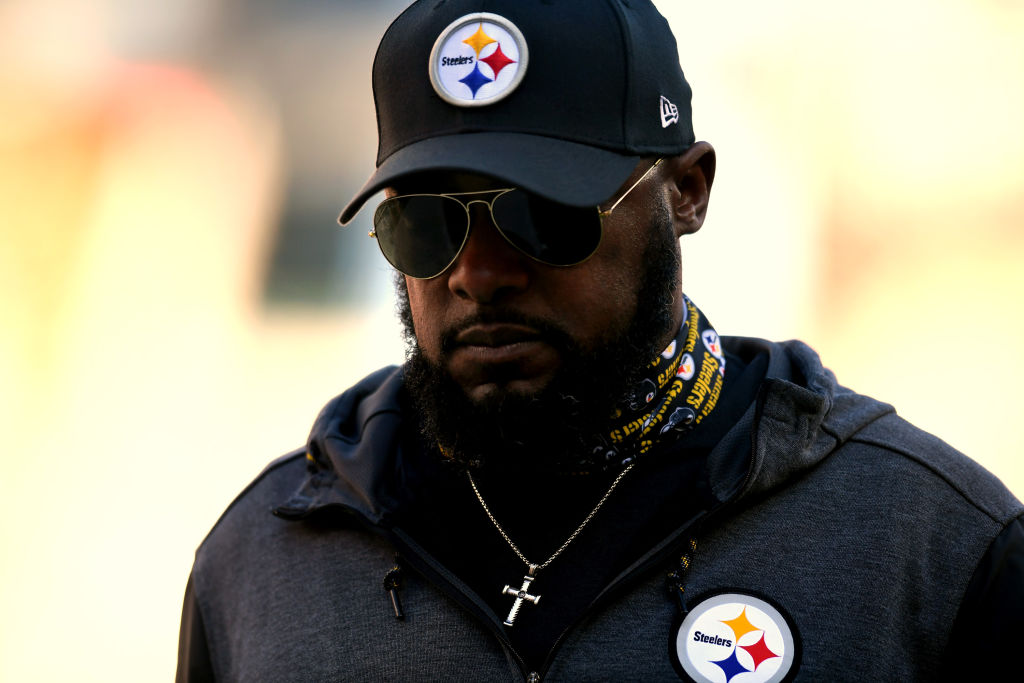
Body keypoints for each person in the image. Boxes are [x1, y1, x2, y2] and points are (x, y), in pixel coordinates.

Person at [176, 1, 1024, 681]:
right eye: (426, 224)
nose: (477, 272)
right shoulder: (263, 562)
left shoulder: (929, 549)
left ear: (686, 192)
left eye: (542, 213)